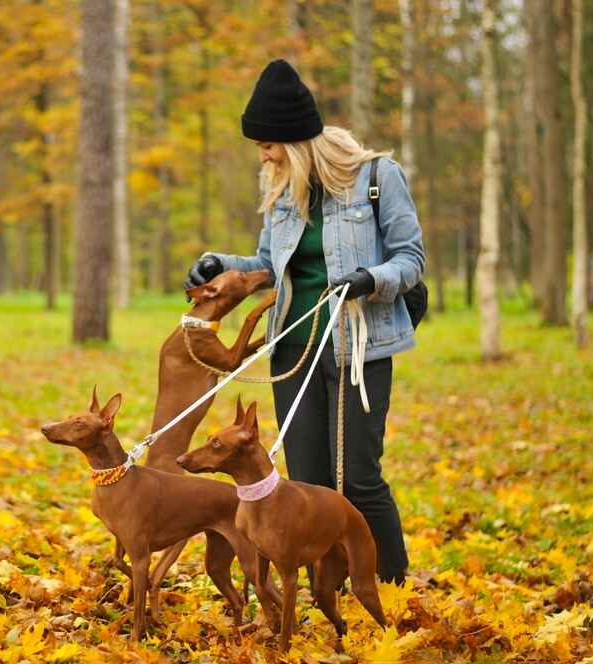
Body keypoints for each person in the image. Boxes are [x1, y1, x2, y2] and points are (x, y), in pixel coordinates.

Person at [184, 59, 424, 585]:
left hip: (359, 348)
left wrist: (369, 279)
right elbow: (267, 264)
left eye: (268, 145)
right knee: (309, 480)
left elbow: (411, 259)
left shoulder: (377, 177)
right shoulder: (280, 187)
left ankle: (392, 584)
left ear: (296, 141)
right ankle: (326, 590)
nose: (263, 156)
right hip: (294, 348)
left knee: (358, 478)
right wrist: (217, 265)